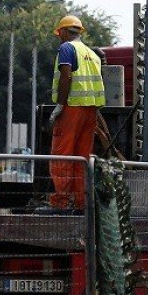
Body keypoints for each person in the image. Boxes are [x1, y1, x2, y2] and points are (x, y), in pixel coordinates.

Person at [48, 14, 105, 211]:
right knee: (83, 156)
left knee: (62, 154)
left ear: (63, 32)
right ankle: (82, 202)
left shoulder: (67, 48)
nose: (59, 37)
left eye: (59, 34)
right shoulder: (92, 54)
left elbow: (66, 75)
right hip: (91, 111)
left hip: (72, 108)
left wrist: (60, 105)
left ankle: (61, 202)